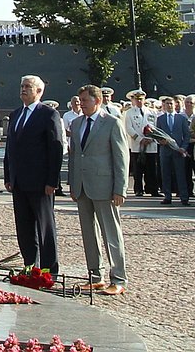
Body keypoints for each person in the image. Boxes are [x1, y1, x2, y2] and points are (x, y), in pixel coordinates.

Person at [68, 85, 129, 296]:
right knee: (88, 234)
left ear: (98, 101)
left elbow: (121, 157)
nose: (82, 103)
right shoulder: (76, 124)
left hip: (105, 186)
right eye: (80, 100)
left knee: (111, 233)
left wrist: (120, 188)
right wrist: (72, 184)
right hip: (83, 187)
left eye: (85, 100)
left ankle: (118, 278)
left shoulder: (111, 123)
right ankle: (95, 276)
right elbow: (75, 156)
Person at [3, 74, 63, 275]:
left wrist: (52, 180)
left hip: (40, 182)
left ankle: (49, 269)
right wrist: (9, 176)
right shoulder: (16, 114)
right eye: (22, 86)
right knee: (24, 227)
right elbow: (10, 147)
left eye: (28, 86)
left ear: (39, 91)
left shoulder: (48, 114)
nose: (23, 89)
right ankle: (30, 264)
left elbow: (55, 149)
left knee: (45, 228)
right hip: (19, 181)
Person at [124, 89, 160, 197]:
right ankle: (138, 189)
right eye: (137, 99)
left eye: (141, 99)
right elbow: (129, 128)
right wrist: (140, 139)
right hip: (137, 145)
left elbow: (156, 127)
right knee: (138, 169)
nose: (139, 101)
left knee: (152, 168)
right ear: (133, 100)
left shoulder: (152, 112)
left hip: (151, 144)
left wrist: (152, 138)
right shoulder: (129, 113)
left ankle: (153, 189)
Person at [157, 96, 191, 206]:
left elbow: (187, 135)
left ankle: (184, 197)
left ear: (175, 105)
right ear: (164, 105)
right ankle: (167, 196)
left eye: (171, 103)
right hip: (165, 150)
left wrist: (184, 148)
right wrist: (160, 141)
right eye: (167, 103)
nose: (169, 105)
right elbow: (157, 134)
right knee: (165, 173)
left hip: (178, 151)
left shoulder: (181, 119)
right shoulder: (160, 119)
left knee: (180, 174)